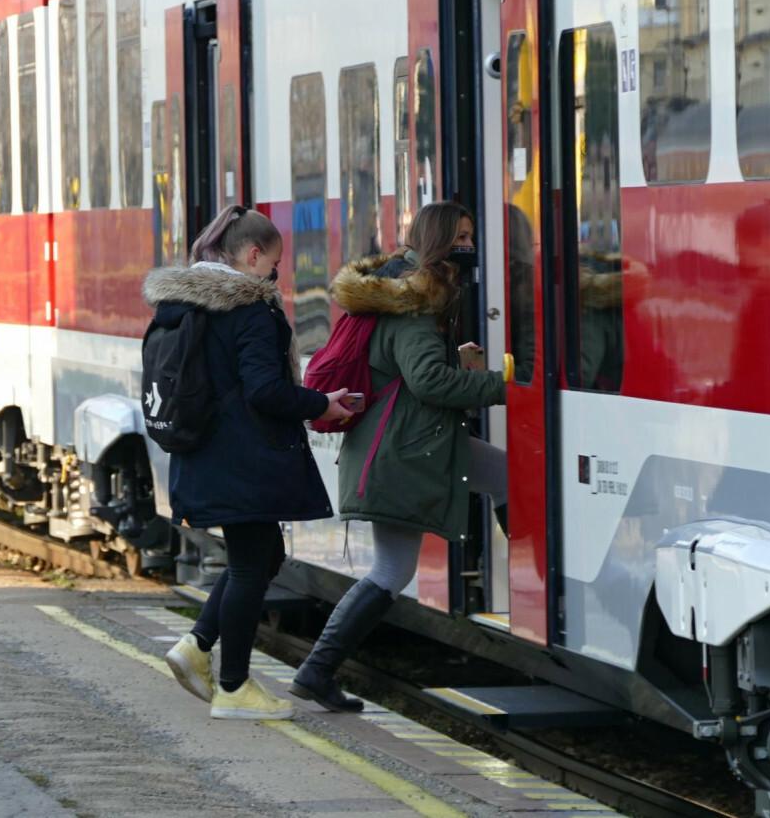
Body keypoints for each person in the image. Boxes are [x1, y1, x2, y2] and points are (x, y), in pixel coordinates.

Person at [290, 201, 509, 712]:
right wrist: (504, 386)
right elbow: (427, 381)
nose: (468, 246)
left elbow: (405, 370)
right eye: (460, 235)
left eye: (471, 234)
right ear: (437, 240)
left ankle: (316, 671)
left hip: (403, 445)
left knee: (504, 478)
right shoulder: (417, 300)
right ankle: (316, 670)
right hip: (404, 453)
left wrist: (460, 365)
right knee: (391, 570)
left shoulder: (395, 289)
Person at [147, 205, 353, 720]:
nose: (274, 277)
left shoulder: (183, 304)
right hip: (244, 460)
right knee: (250, 564)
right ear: (253, 254)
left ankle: (197, 645)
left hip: (205, 454)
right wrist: (320, 403)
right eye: (274, 265)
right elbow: (265, 390)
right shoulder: (250, 309)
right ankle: (235, 688)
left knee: (262, 559)